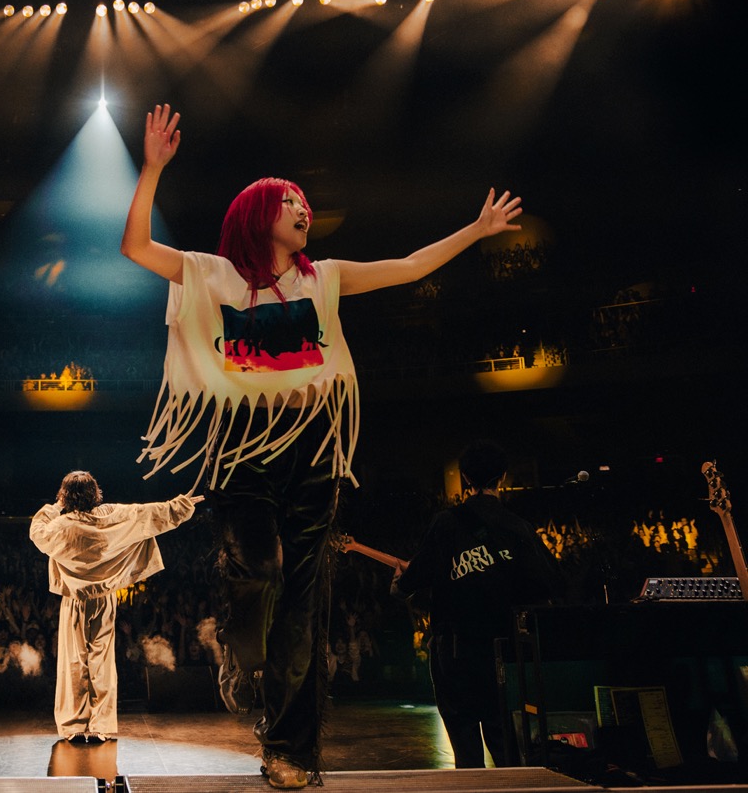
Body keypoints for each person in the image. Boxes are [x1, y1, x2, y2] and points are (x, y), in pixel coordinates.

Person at [119, 103, 523, 789]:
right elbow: (135, 247)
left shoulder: (322, 276)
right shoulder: (214, 274)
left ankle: (290, 750)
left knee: (303, 611)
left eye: (304, 201)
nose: (303, 208)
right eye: (289, 201)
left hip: (311, 448)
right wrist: (153, 169)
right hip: (243, 445)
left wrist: (477, 230)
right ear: (258, 216)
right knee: (262, 572)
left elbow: (408, 266)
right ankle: (238, 646)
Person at [392, 440, 560, 768]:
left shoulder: (445, 523)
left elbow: (410, 582)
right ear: (503, 476)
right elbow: (550, 582)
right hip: (504, 651)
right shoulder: (519, 527)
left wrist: (399, 584)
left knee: (465, 747)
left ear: (466, 477)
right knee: (505, 744)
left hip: (456, 651)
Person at [29, 470, 201, 743]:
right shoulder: (109, 515)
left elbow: (37, 531)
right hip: (104, 598)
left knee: (74, 661)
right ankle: (102, 725)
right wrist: (180, 505)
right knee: (102, 662)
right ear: (94, 493)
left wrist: (55, 507)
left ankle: (74, 724)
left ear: (65, 495)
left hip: (75, 599)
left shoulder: (61, 526)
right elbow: (146, 514)